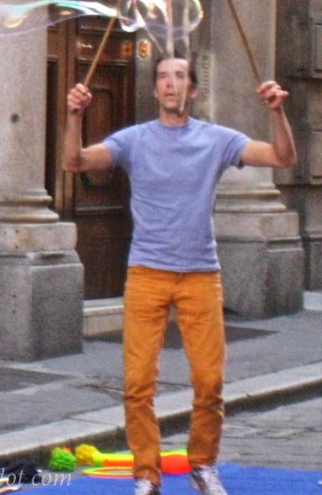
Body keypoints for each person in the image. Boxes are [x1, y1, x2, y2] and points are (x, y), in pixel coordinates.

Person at [62, 57, 297, 495]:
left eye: (179, 78)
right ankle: (147, 475)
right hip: (147, 272)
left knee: (210, 381)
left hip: (200, 275)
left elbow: (283, 158)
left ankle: (202, 465)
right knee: (137, 383)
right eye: (163, 77)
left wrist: (276, 111)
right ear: (156, 91)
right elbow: (74, 162)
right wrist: (75, 116)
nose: (171, 84)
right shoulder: (133, 140)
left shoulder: (216, 139)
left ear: (192, 90)